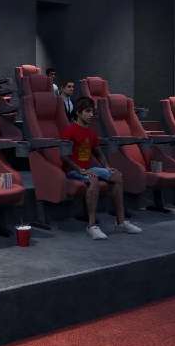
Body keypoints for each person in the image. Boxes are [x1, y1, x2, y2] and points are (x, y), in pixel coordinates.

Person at [59, 96, 142, 240]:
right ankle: (92, 226)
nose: (91, 115)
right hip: (73, 170)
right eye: (87, 111)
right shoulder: (69, 130)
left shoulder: (91, 132)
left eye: (92, 112)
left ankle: (121, 222)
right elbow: (64, 156)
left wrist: (107, 167)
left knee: (117, 175)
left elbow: (98, 153)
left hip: (89, 168)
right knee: (93, 179)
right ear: (78, 112)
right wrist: (78, 169)